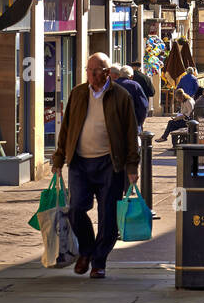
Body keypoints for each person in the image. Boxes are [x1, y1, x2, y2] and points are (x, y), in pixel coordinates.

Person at [50, 53, 140, 279]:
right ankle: (87, 251)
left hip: (110, 164)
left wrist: (132, 166)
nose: (90, 74)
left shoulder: (121, 96)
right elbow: (67, 128)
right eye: (88, 70)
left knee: (108, 216)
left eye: (95, 70)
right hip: (80, 162)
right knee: (76, 209)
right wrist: (59, 158)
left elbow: (130, 133)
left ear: (107, 73)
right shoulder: (78, 93)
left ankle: (99, 262)